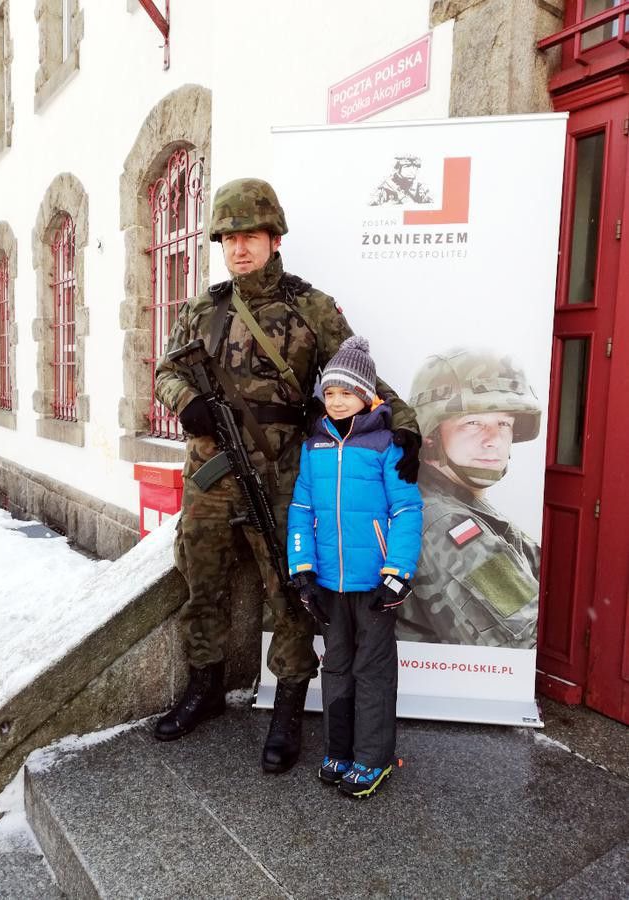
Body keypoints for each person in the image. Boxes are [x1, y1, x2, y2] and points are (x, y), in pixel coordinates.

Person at [152, 178, 421, 775]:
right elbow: (166, 371)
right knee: (201, 581)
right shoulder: (203, 308)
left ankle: (288, 709)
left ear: (274, 239)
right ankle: (204, 688)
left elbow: (359, 379)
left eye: (250, 236)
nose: (239, 248)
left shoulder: (311, 307)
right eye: (229, 239)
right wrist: (185, 403)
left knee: (290, 592)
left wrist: (403, 425)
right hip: (209, 477)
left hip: (281, 476)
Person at [288, 336, 423, 798]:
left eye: (347, 392)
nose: (337, 400)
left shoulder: (387, 445)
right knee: (337, 667)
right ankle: (339, 751)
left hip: (374, 585)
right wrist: (303, 570)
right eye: (330, 392)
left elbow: (407, 510)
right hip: (330, 582)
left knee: (373, 671)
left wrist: (398, 572)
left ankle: (372, 758)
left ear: (367, 395)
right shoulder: (315, 446)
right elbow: (302, 509)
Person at [396, 348, 541, 648]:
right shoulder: (446, 523)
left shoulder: (453, 499)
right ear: (431, 433)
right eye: (473, 423)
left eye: (504, 423)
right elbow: (525, 644)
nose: (494, 440)